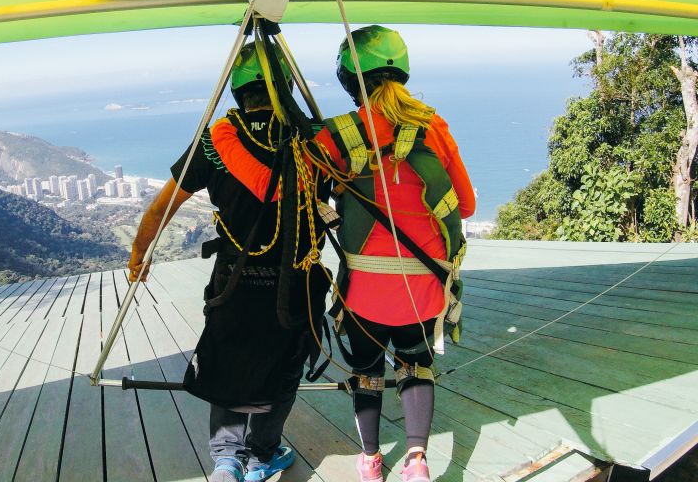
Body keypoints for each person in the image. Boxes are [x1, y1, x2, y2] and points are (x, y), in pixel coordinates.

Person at [128, 40, 330, 482]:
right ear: (285, 86)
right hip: (294, 279)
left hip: (234, 278)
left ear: (238, 90)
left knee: (230, 354)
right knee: (284, 361)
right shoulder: (313, 137)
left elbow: (161, 208)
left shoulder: (215, 142)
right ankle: (262, 453)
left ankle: (226, 460)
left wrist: (138, 255)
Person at [310, 25, 476, 482]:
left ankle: (369, 460)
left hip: (363, 292)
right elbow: (467, 204)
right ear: (402, 72)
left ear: (347, 79)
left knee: (366, 370)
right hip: (423, 289)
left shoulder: (337, 136)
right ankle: (418, 461)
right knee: (416, 364)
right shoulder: (432, 126)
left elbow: (309, 197)